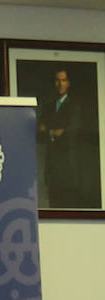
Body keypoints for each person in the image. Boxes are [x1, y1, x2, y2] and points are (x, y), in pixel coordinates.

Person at [40, 67, 86, 208]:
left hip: (67, 168)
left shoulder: (74, 107)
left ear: (68, 83)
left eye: (63, 80)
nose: (60, 84)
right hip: (52, 168)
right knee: (53, 207)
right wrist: (54, 132)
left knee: (68, 209)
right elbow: (40, 132)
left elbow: (68, 133)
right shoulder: (48, 107)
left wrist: (50, 131)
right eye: (57, 80)